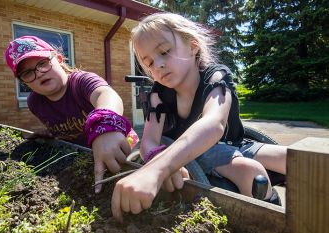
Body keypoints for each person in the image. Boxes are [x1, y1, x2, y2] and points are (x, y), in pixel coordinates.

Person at [111, 12, 287, 222]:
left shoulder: (215, 77)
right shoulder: (158, 94)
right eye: (149, 63)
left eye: (165, 52)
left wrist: (158, 168)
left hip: (236, 143)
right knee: (251, 172)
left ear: (193, 46)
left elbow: (213, 123)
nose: (157, 65)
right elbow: (148, 141)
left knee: (293, 158)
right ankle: (273, 222)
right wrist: (158, 164)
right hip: (193, 151)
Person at [5, 36, 138, 193]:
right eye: (27, 73)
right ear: (24, 82)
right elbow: (64, 127)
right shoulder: (35, 103)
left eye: (43, 63)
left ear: (59, 59)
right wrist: (51, 135)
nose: (39, 73)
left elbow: (106, 94)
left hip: (121, 146)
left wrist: (106, 125)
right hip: (84, 156)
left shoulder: (81, 82)